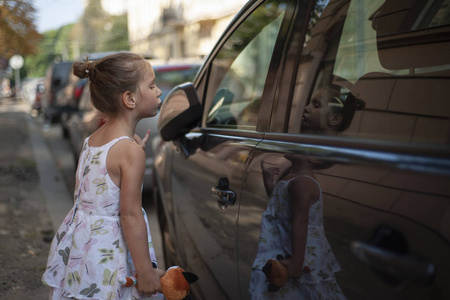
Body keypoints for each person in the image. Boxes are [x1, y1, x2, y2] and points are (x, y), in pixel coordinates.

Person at [42, 52, 165, 300]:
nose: (159, 91)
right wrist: (144, 272)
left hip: (84, 254)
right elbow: (129, 215)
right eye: (152, 85)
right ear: (129, 99)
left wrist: (134, 154)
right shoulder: (129, 152)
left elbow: (97, 188)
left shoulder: (92, 141)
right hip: (112, 256)